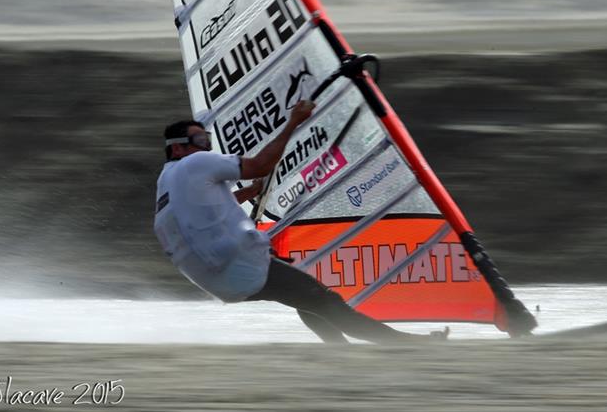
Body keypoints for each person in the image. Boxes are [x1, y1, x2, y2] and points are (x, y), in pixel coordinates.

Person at [154, 100, 447, 344]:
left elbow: (204, 212)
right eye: (199, 141)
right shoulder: (195, 163)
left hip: (215, 280)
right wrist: (294, 121)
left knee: (304, 298)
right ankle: (409, 344)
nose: (206, 147)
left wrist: (250, 193)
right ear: (177, 148)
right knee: (325, 300)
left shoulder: (166, 182)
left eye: (207, 140)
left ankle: (338, 349)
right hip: (242, 268)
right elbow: (260, 165)